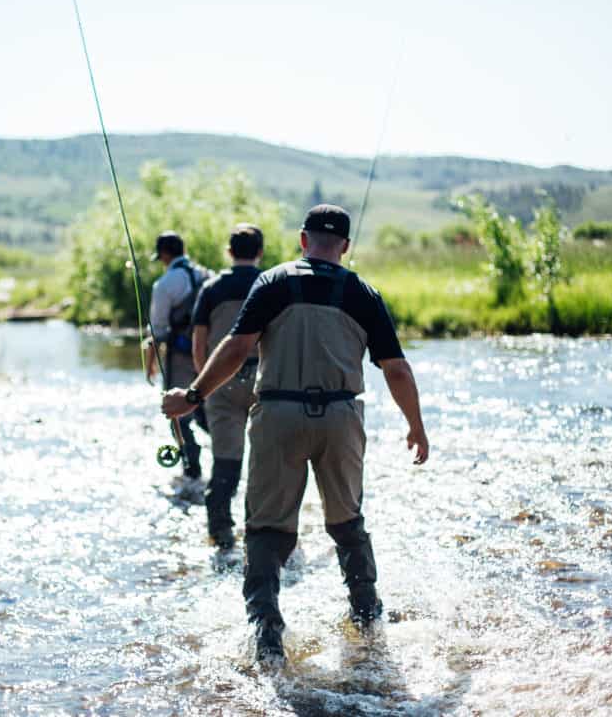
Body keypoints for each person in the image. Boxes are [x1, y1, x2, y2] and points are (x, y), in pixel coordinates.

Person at [162, 205, 429, 666]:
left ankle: (267, 637)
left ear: (303, 240)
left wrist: (193, 393)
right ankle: (367, 620)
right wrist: (416, 427)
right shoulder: (364, 292)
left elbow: (237, 347)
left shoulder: (274, 282)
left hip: (278, 415)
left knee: (265, 529)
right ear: (345, 246)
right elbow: (397, 370)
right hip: (341, 419)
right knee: (347, 522)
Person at [190, 224, 264, 549]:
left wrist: (203, 386)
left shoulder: (211, 288)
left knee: (225, 461)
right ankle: (261, 530)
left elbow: (198, 345)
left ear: (229, 251)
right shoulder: (271, 284)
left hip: (221, 382)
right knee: (265, 460)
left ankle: (221, 534)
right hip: (267, 382)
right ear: (260, 252)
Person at [144, 231, 209, 481]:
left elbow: (157, 331)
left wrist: (150, 364)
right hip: (209, 356)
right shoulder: (207, 275)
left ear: (165, 255)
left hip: (180, 358)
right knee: (207, 407)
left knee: (177, 413)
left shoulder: (165, 284)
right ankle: (226, 458)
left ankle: (191, 468)